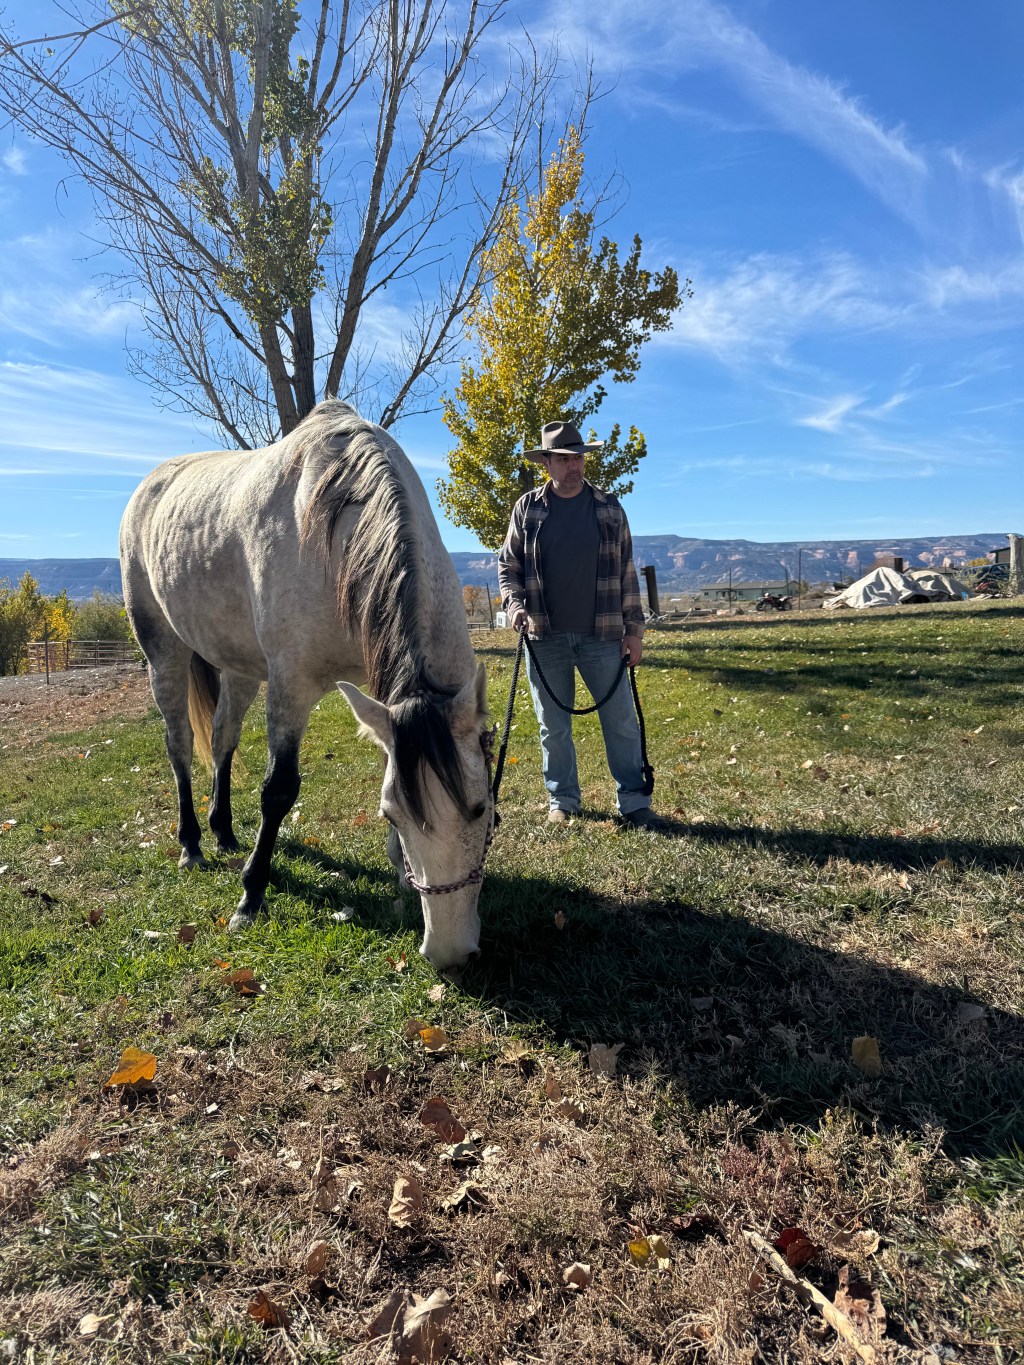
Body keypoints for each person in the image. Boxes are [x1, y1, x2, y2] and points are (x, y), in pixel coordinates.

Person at [498, 420, 662, 829]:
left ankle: (634, 801)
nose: (574, 466)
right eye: (564, 459)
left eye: (579, 458)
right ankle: (563, 800)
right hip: (544, 636)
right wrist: (514, 605)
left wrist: (634, 631)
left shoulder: (609, 508)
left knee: (621, 721)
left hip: (602, 636)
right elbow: (508, 566)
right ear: (546, 463)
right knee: (552, 727)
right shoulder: (528, 509)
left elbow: (626, 572)